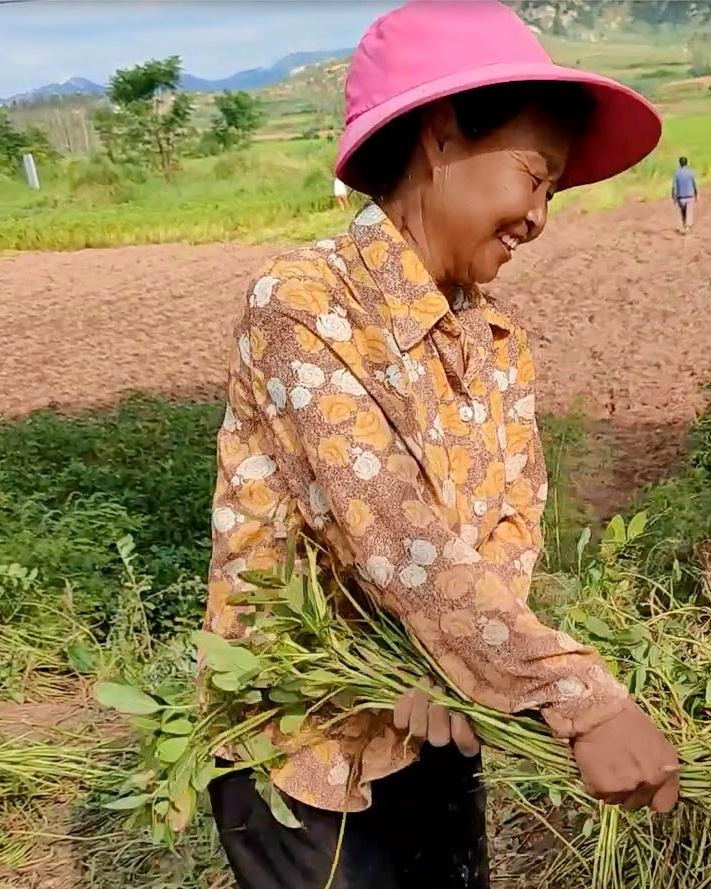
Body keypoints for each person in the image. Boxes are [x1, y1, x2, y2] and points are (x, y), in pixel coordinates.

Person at [203, 3, 679, 887]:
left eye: (552, 193)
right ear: (441, 134)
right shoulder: (304, 306)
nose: (539, 216)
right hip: (306, 747)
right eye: (534, 177)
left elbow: (510, 527)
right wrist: (578, 694)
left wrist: (457, 667)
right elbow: (392, 534)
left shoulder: (498, 345)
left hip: (439, 722)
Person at [672, 155, 697, 234]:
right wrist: (696, 194)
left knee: (682, 213)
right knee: (689, 212)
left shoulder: (677, 173)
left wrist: (673, 196)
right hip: (689, 196)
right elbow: (694, 184)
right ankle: (688, 227)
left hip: (680, 197)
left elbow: (674, 186)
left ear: (680, 163)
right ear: (687, 163)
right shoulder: (690, 172)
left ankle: (683, 225)